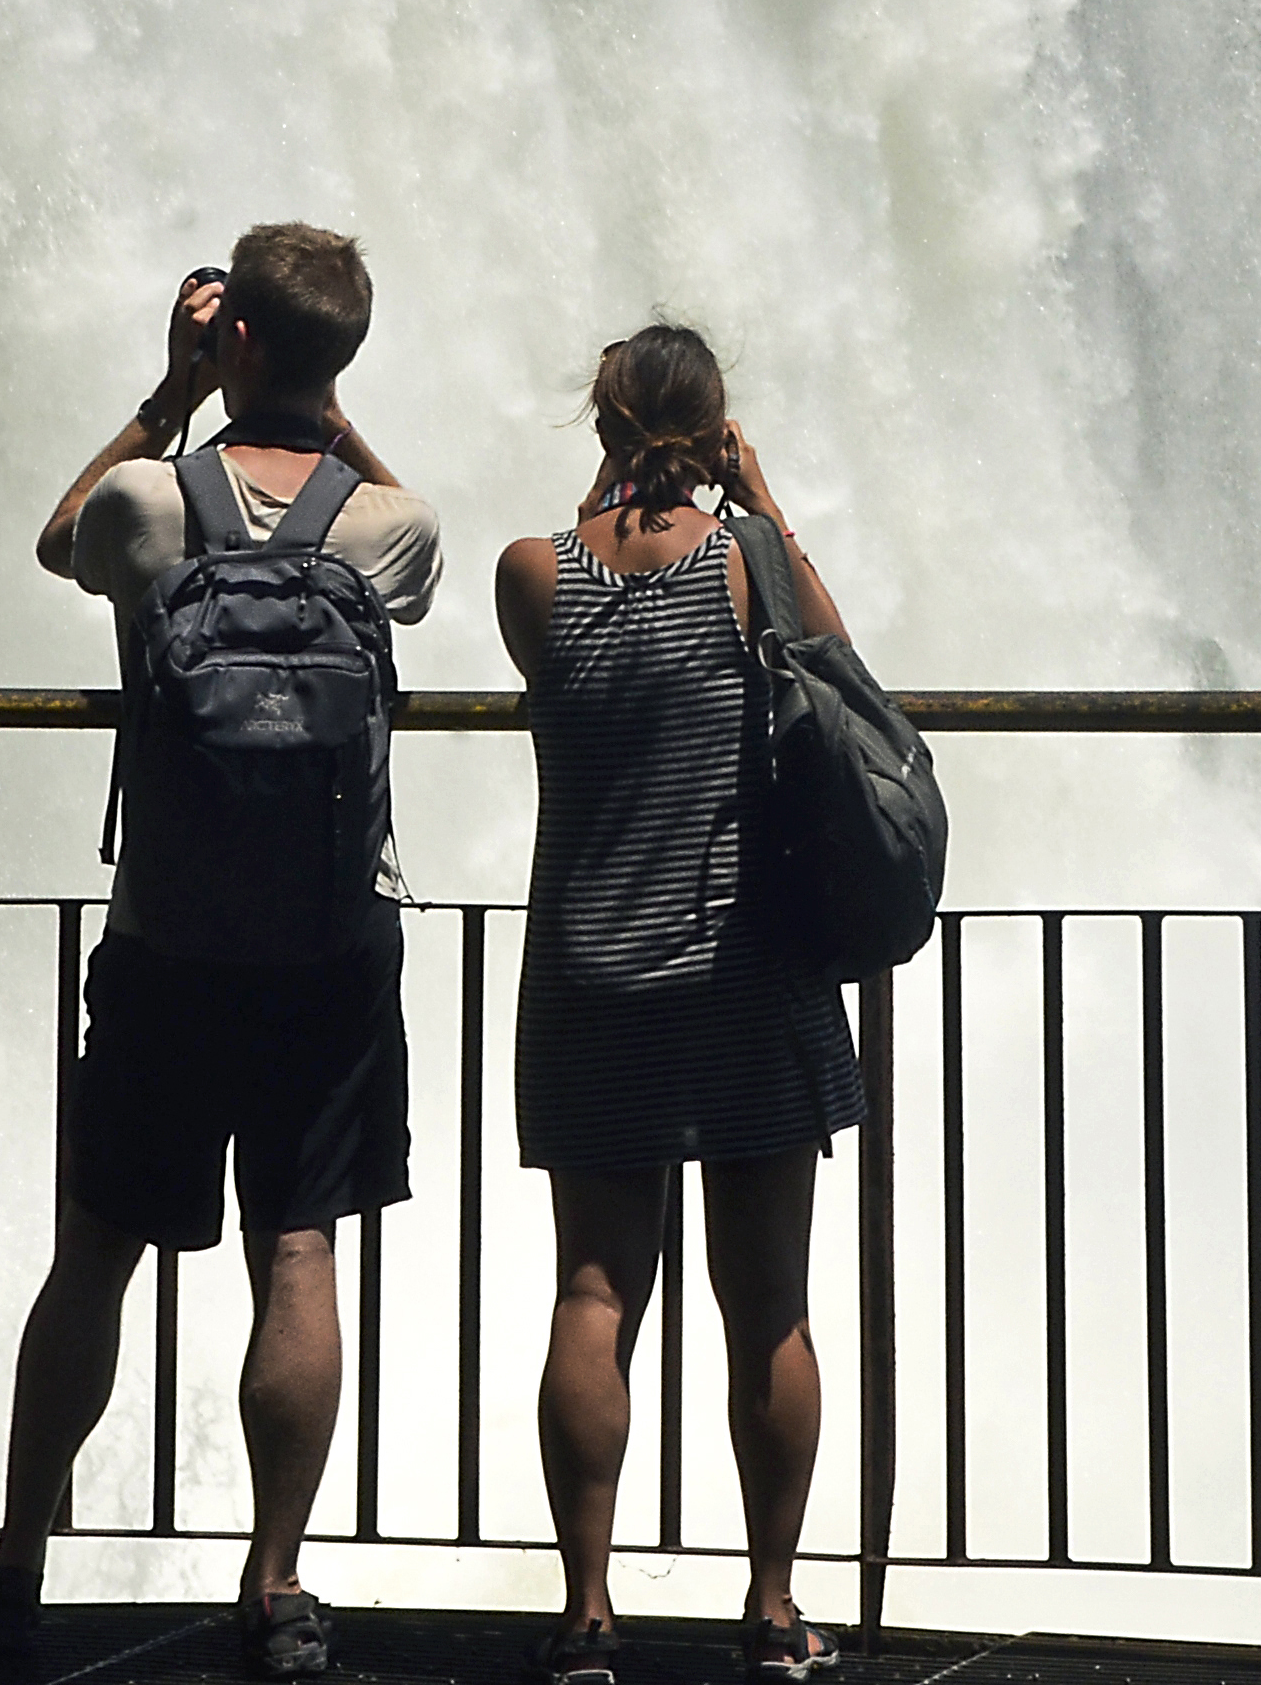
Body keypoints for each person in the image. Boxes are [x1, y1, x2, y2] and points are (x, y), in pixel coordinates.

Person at [0, 225, 437, 1678]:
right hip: (334, 947)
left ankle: (19, 1561)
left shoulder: (150, 505)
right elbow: (401, 515)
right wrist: (314, 398)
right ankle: (273, 1583)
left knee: (97, 1254)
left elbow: (53, 533)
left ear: (235, 343)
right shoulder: (384, 530)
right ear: (339, 360)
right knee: (296, 1250)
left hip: (164, 941)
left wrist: (171, 390)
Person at [492, 325, 865, 1685]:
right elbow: (837, 661)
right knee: (766, 1300)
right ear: (716, 430)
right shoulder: (744, 574)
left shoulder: (533, 577)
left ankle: (587, 1616)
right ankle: (771, 1610)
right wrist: (756, 498)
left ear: (597, 416)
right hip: (746, 974)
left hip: (591, 972)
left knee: (595, 1291)